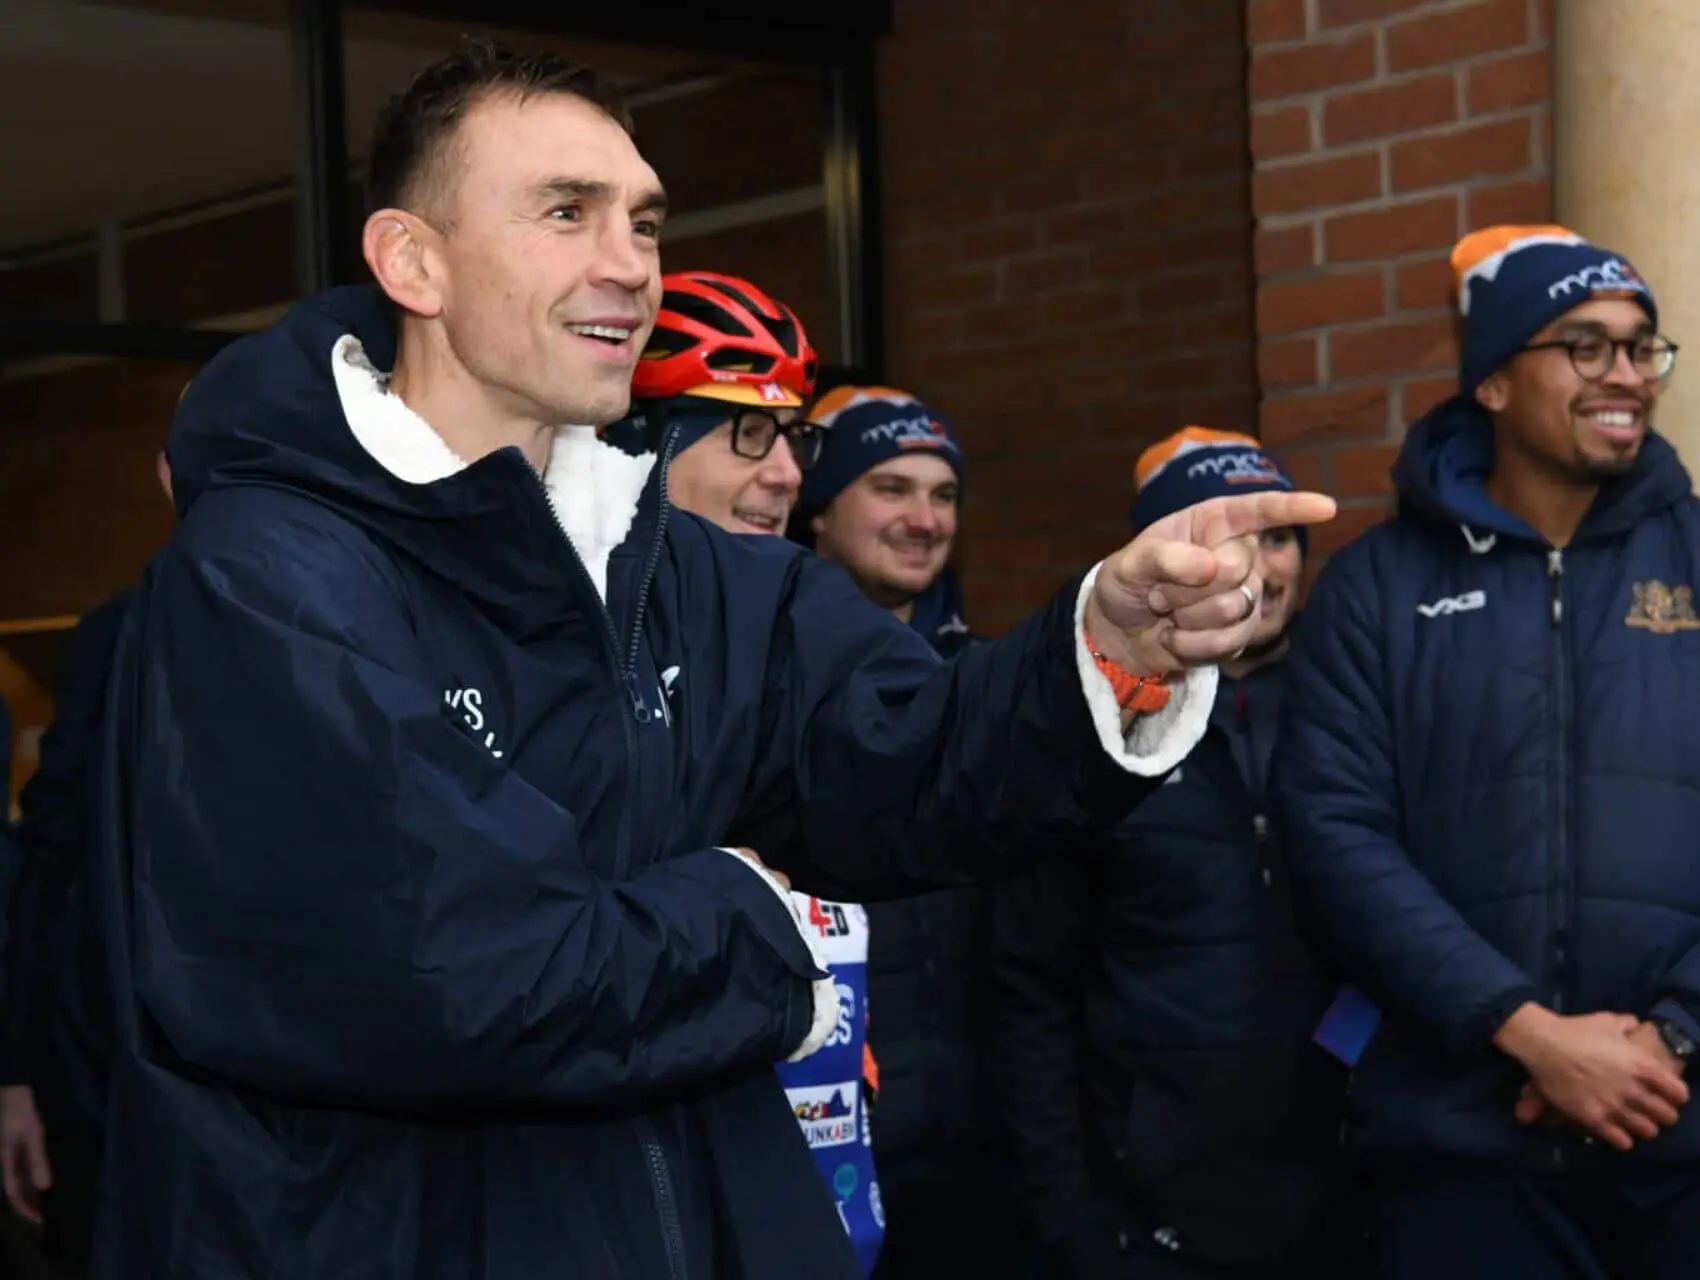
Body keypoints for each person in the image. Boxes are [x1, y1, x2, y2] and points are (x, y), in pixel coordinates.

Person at [92, 43, 1333, 1280]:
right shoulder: (265, 574)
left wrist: (1111, 645)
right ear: (413, 261)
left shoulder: (677, 565)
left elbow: (915, 756)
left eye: (643, 221)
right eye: (566, 212)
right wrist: (754, 918)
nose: (629, 262)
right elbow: (457, 974)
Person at [1274, 224, 1700, 1280]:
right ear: (1494, 382)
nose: (1627, 376)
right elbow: (1334, 839)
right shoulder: (1376, 589)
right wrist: (1527, 1033)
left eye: (1643, 348)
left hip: (1699, 1134)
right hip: (1461, 1152)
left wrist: (1669, 1041)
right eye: (1586, 345)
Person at [989, 428, 1356, 1280]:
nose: (1259, 567)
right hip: (1148, 1215)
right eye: (1225, 538)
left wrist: (1358, 1071)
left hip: (1348, 1195)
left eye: (1278, 539)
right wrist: (1070, 1221)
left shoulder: (1353, 708)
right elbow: (1029, 991)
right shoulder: (1093, 727)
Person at [616, 271, 892, 1273]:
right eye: (746, 433)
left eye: (792, 438)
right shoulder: (586, 658)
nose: (784, 473)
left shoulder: (802, 632)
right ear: (646, 445)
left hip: (829, 1204)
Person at [793, 386, 1036, 1279]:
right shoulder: (762, 683)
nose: (925, 519)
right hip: (819, 1160)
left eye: (944, 495)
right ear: (819, 509)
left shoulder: (994, 680)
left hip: (989, 1157)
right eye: (890, 488)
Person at [1, 449, 172, 1276]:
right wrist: (18, 1074)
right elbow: (47, 855)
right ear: (168, 472)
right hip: (100, 1089)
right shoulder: (115, 634)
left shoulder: (351, 616)